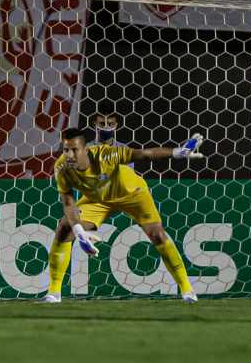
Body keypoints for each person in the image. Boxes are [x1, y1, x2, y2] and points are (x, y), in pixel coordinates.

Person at [41, 127, 204, 304]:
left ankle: (187, 289)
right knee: (65, 227)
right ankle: (54, 293)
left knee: (157, 234)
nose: (70, 155)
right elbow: (68, 203)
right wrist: (80, 233)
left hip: (132, 193)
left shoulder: (106, 155)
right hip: (98, 199)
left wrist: (177, 152)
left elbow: (143, 154)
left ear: (85, 149)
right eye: (66, 150)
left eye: (75, 150)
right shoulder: (62, 167)